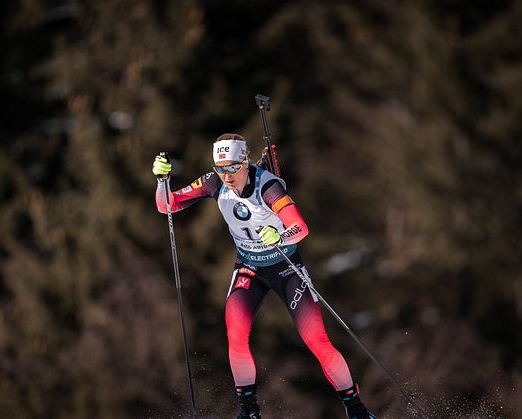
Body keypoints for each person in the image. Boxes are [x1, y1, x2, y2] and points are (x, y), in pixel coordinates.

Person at [153, 133, 376, 419]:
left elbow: (300, 227)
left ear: (245, 162)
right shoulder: (213, 182)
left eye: (233, 167)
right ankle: (248, 411)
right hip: (250, 268)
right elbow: (167, 205)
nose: (227, 176)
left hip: (285, 268)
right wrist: (162, 181)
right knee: (235, 335)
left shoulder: (267, 187)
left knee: (316, 339)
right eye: (221, 169)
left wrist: (281, 235)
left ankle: (355, 408)